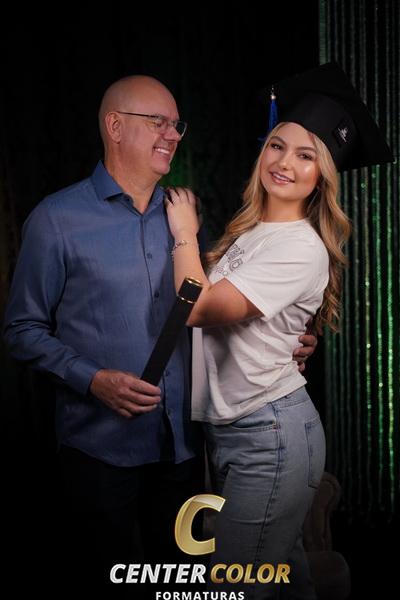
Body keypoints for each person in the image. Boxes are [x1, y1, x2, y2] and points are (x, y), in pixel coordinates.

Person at [3, 75, 318, 593]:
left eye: (177, 125)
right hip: (101, 449)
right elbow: (21, 330)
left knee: (180, 582)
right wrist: (92, 379)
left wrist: (288, 342)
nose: (173, 135)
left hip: (183, 448)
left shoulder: (184, 218)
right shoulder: (56, 220)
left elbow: (217, 309)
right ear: (115, 126)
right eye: (158, 122)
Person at [165, 63, 393, 599]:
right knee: (283, 579)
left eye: (305, 155)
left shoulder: (300, 245)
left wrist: (183, 232)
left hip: (267, 433)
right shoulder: (253, 231)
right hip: (240, 428)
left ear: (322, 176)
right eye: (276, 145)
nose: (284, 162)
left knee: (235, 584)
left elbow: (199, 309)